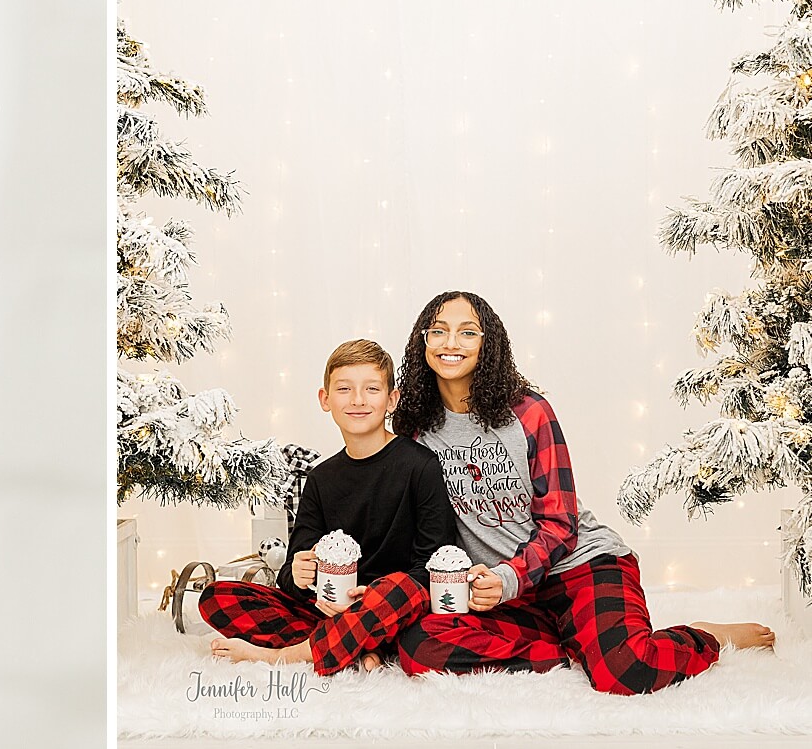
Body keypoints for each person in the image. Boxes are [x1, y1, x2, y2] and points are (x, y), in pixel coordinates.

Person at [391, 290, 775, 696]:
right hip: (505, 596)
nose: (451, 343)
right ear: (423, 341)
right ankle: (580, 646)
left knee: (628, 672)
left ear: (488, 344)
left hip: (578, 565)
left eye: (468, 332)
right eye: (439, 331)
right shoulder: (415, 428)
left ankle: (700, 637)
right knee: (420, 648)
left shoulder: (527, 411)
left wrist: (508, 577)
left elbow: (560, 523)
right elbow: (419, 527)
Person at [198, 339, 457, 674]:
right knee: (217, 596)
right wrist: (299, 573)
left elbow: (432, 565)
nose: (358, 400)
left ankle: (286, 656)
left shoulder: (421, 466)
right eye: (345, 389)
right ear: (325, 399)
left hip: (395, 609)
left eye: (372, 389)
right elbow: (291, 575)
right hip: (331, 608)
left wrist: (372, 597)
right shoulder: (321, 478)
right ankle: (360, 646)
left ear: (391, 400)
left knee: (403, 589)